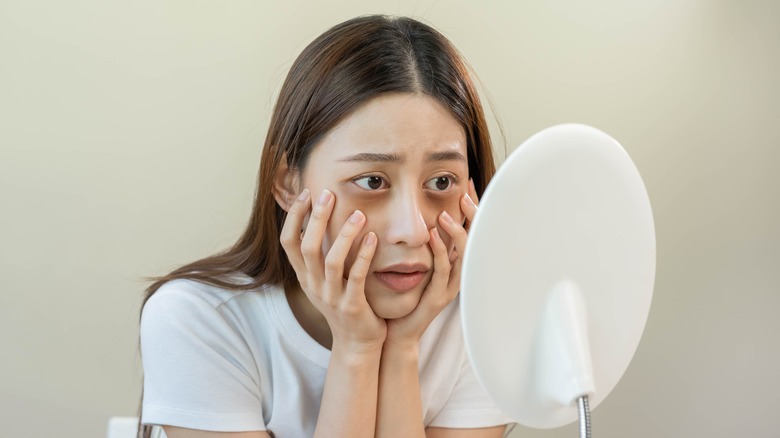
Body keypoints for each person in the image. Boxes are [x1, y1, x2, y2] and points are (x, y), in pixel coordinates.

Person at [139, 14, 512, 438]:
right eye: (372, 181)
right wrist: (357, 349)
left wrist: (402, 349)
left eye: (441, 182)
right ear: (288, 182)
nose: (412, 230)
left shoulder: (481, 325)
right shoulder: (200, 320)